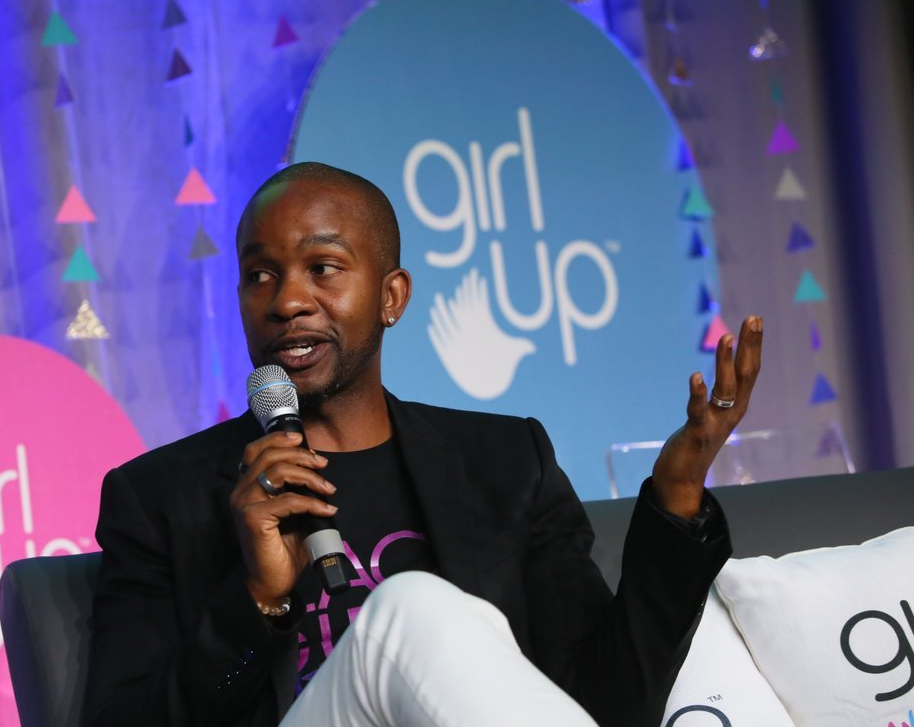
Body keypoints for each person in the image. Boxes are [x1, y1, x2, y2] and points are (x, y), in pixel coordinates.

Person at [83, 162, 763, 727]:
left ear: (392, 297)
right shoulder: (160, 497)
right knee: (409, 608)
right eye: (260, 275)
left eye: (323, 268)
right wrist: (258, 597)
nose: (286, 301)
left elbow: (602, 703)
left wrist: (677, 498)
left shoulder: (505, 463)